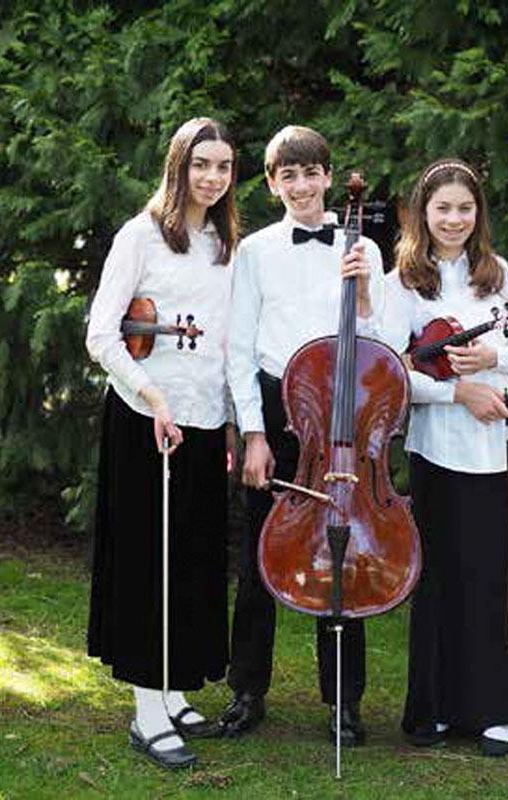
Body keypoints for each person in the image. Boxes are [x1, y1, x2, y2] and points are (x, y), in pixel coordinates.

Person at [216, 125, 384, 745]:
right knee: (260, 557)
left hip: (339, 416)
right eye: (288, 175)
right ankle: (246, 689)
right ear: (271, 183)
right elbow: (238, 347)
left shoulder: (362, 245)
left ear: (329, 177)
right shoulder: (254, 250)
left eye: (311, 173)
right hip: (273, 405)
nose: (302, 185)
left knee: (340, 553)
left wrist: (365, 286)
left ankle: (344, 701)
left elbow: (382, 339)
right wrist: (253, 434)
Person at [86, 117, 238, 769]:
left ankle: (173, 693)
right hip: (146, 420)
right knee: (152, 564)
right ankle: (147, 714)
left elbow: (228, 341)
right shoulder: (139, 235)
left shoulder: (225, 242)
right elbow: (101, 334)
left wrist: (230, 420)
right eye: (201, 164)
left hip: (203, 422)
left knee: (194, 559)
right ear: (178, 166)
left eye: (224, 166)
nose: (212, 177)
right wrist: (152, 396)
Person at [381, 158, 508, 756]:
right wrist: (458, 390)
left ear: (478, 215)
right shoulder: (401, 280)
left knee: (497, 578)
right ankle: (440, 708)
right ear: (423, 214)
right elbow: (395, 370)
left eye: (465, 208)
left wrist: (491, 360)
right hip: (439, 447)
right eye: (443, 208)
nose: (454, 218)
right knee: (443, 578)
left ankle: (498, 709)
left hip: (503, 444)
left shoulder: (494, 272)